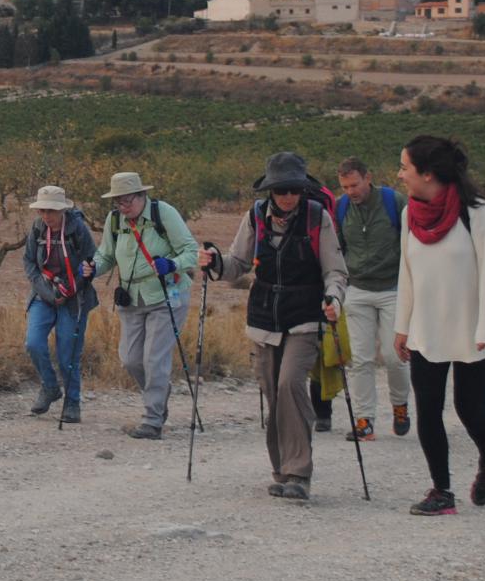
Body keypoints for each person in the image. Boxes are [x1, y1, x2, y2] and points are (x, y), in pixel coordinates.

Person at [205, 152, 346, 501]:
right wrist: (214, 264)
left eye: (294, 190)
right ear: (271, 191)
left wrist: (334, 299)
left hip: (305, 317)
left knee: (290, 386)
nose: (288, 197)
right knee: (273, 392)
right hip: (265, 319)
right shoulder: (255, 217)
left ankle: (299, 474)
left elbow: (335, 270)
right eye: (282, 190)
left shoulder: (318, 217)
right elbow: (237, 264)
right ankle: (281, 470)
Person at [393, 135, 485, 517]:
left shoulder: (477, 213)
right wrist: (402, 325)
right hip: (427, 326)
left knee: (469, 409)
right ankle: (441, 491)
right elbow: (406, 274)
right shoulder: (411, 214)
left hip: (473, 329)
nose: (400, 174)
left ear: (427, 173)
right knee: (427, 408)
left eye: (405, 167)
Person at [92, 171, 200, 441]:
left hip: (166, 294)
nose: (122, 207)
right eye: (117, 202)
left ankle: (152, 420)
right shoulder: (115, 220)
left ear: (142, 196)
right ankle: (159, 394)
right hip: (131, 297)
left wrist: (172, 264)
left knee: (154, 358)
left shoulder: (163, 214)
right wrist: (91, 269)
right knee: (130, 359)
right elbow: (106, 254)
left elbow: (191, 251)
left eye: (127, 201)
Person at [334, 157, 410, 442]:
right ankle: (365, 419)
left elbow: (411, 242)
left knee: (395, 356)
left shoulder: (394, 202)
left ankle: (400, 405)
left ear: (368, 177)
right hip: (358, 289)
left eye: (354, 184)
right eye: (345, 186)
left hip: (393, 288)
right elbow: (338, 247)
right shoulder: (341, 208)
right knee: (361, 359)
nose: (351, 191)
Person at [21, 185, 99, 423]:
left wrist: (71, 288)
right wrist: (48, 292)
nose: (46, 216)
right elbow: (29, 263)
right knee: (33, 342)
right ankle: (50, 387)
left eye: (51, 211)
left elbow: (91, 265)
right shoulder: (37, 228)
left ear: (62, 210)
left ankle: (72, 403)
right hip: (44, 296)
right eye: (42, 210)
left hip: (75, 299)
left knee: (68, 353)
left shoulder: (79, 231)